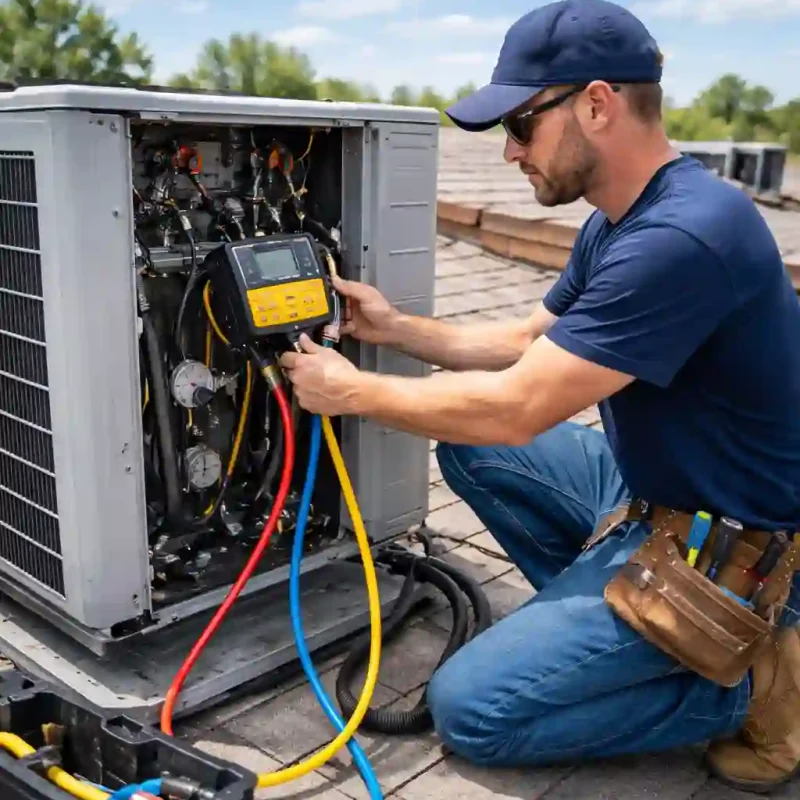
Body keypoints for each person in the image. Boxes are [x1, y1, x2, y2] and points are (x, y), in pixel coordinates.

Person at [279, 0, 800, 793]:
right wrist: (395, 327)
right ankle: (615, 628)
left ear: (596, 104)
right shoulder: (623, 214)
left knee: (473, 711)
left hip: (735, 552)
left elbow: (521, 404)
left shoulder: (682, 238)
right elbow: (529, 342)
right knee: (473, 445)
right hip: (650, 493)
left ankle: (742, 678)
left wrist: (348, 390)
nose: (510, 153)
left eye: (521, 125)